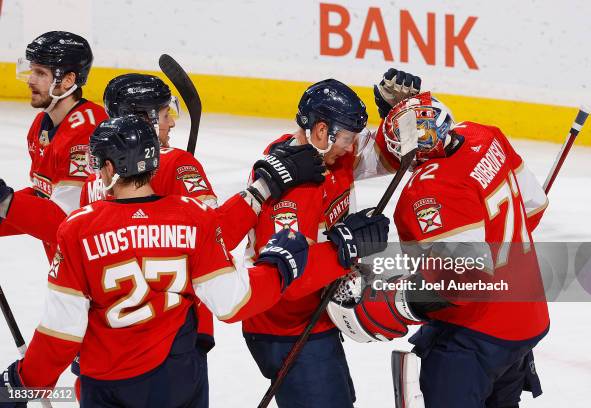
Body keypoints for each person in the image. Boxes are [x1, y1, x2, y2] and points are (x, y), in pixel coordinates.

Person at [0, 115, 318, 408]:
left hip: (109, 383)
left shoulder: (78, 229)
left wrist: (21, 382)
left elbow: (60, 333)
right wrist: (280, 266)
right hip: (178, 375)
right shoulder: (193, 216)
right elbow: (231, 302)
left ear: (110, 169)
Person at [328, 92, 550, 408]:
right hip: (527, 315)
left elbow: (466, 282)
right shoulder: (484, 135)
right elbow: (535, 206)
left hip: (475, 334)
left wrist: (394, 302)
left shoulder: (429, 191)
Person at [241, 77, 416, 408]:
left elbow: (391, 157)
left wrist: (398, 117)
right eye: (348, 138)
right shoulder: (291, 188)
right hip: (286, 327)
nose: (353, 146)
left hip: (316, 316)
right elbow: (285, 279)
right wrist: (345, 245)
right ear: (321, 131)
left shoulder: (332, 154)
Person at [0, 31, 108, 261]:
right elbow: (43, 197)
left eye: (41, 73)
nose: (30, 80)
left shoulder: (86, 132)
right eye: (32, 70)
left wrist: (5, 201)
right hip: (67, 266)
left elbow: (66, 223)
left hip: (95, 267)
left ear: (68, 80)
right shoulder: (43, 123)